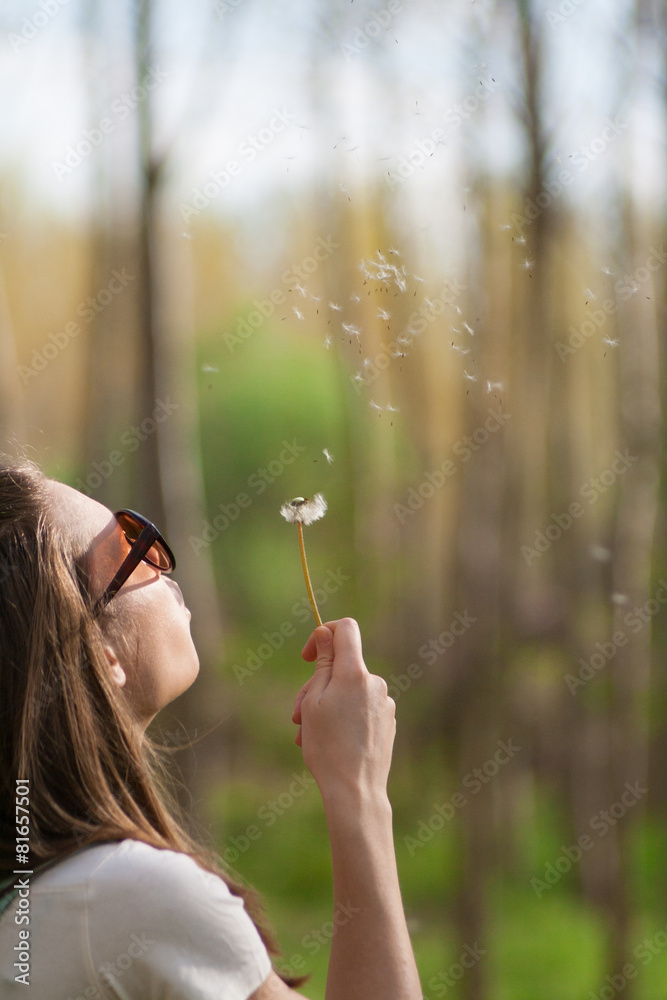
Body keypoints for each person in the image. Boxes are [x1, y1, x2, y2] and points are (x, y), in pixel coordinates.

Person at [0, 458, 422, 1000]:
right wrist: (358, 791)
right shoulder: (133, 897)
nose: (163, 560)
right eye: (132, 547)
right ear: (99, 658)